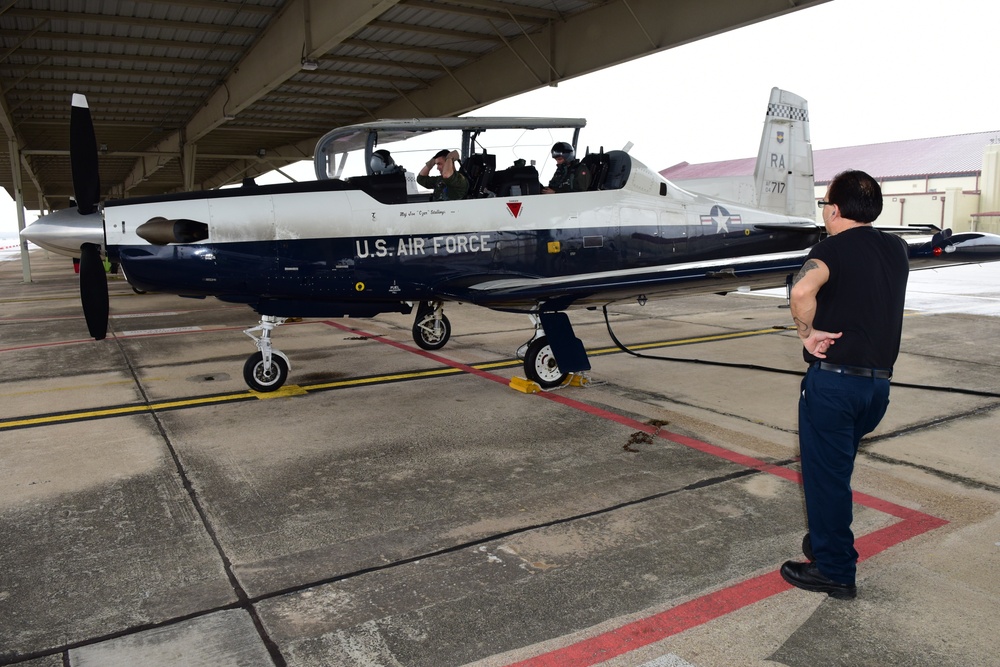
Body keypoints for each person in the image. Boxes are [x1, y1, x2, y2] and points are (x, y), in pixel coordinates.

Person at [781, 169, 909, 600]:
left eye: (824, 206)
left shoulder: (829, 249)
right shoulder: (897, 249)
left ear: (833, 210)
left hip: (835, 387)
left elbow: (801, 293)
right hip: (877, 389)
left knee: (825, 479)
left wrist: (806, 334)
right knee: (836, 470)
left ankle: (835, 570)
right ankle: (823, 543)